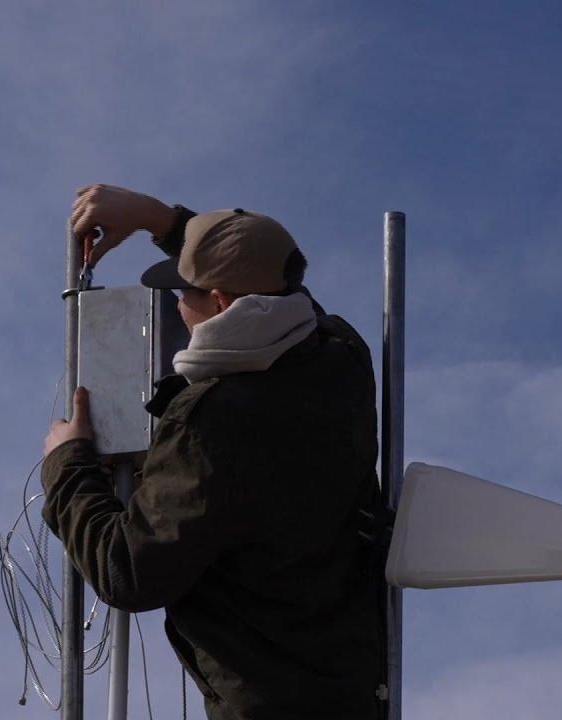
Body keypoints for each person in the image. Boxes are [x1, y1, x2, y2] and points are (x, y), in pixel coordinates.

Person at [41, 185, 386, 720]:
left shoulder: (209, 422)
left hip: (269, 704)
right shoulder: (337, 352)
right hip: (354, 684)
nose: (177, 305)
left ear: (221, 304)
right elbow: (275, 281)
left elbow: (126, 571)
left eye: (185, 292)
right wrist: (159, 219)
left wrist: (68, 466)